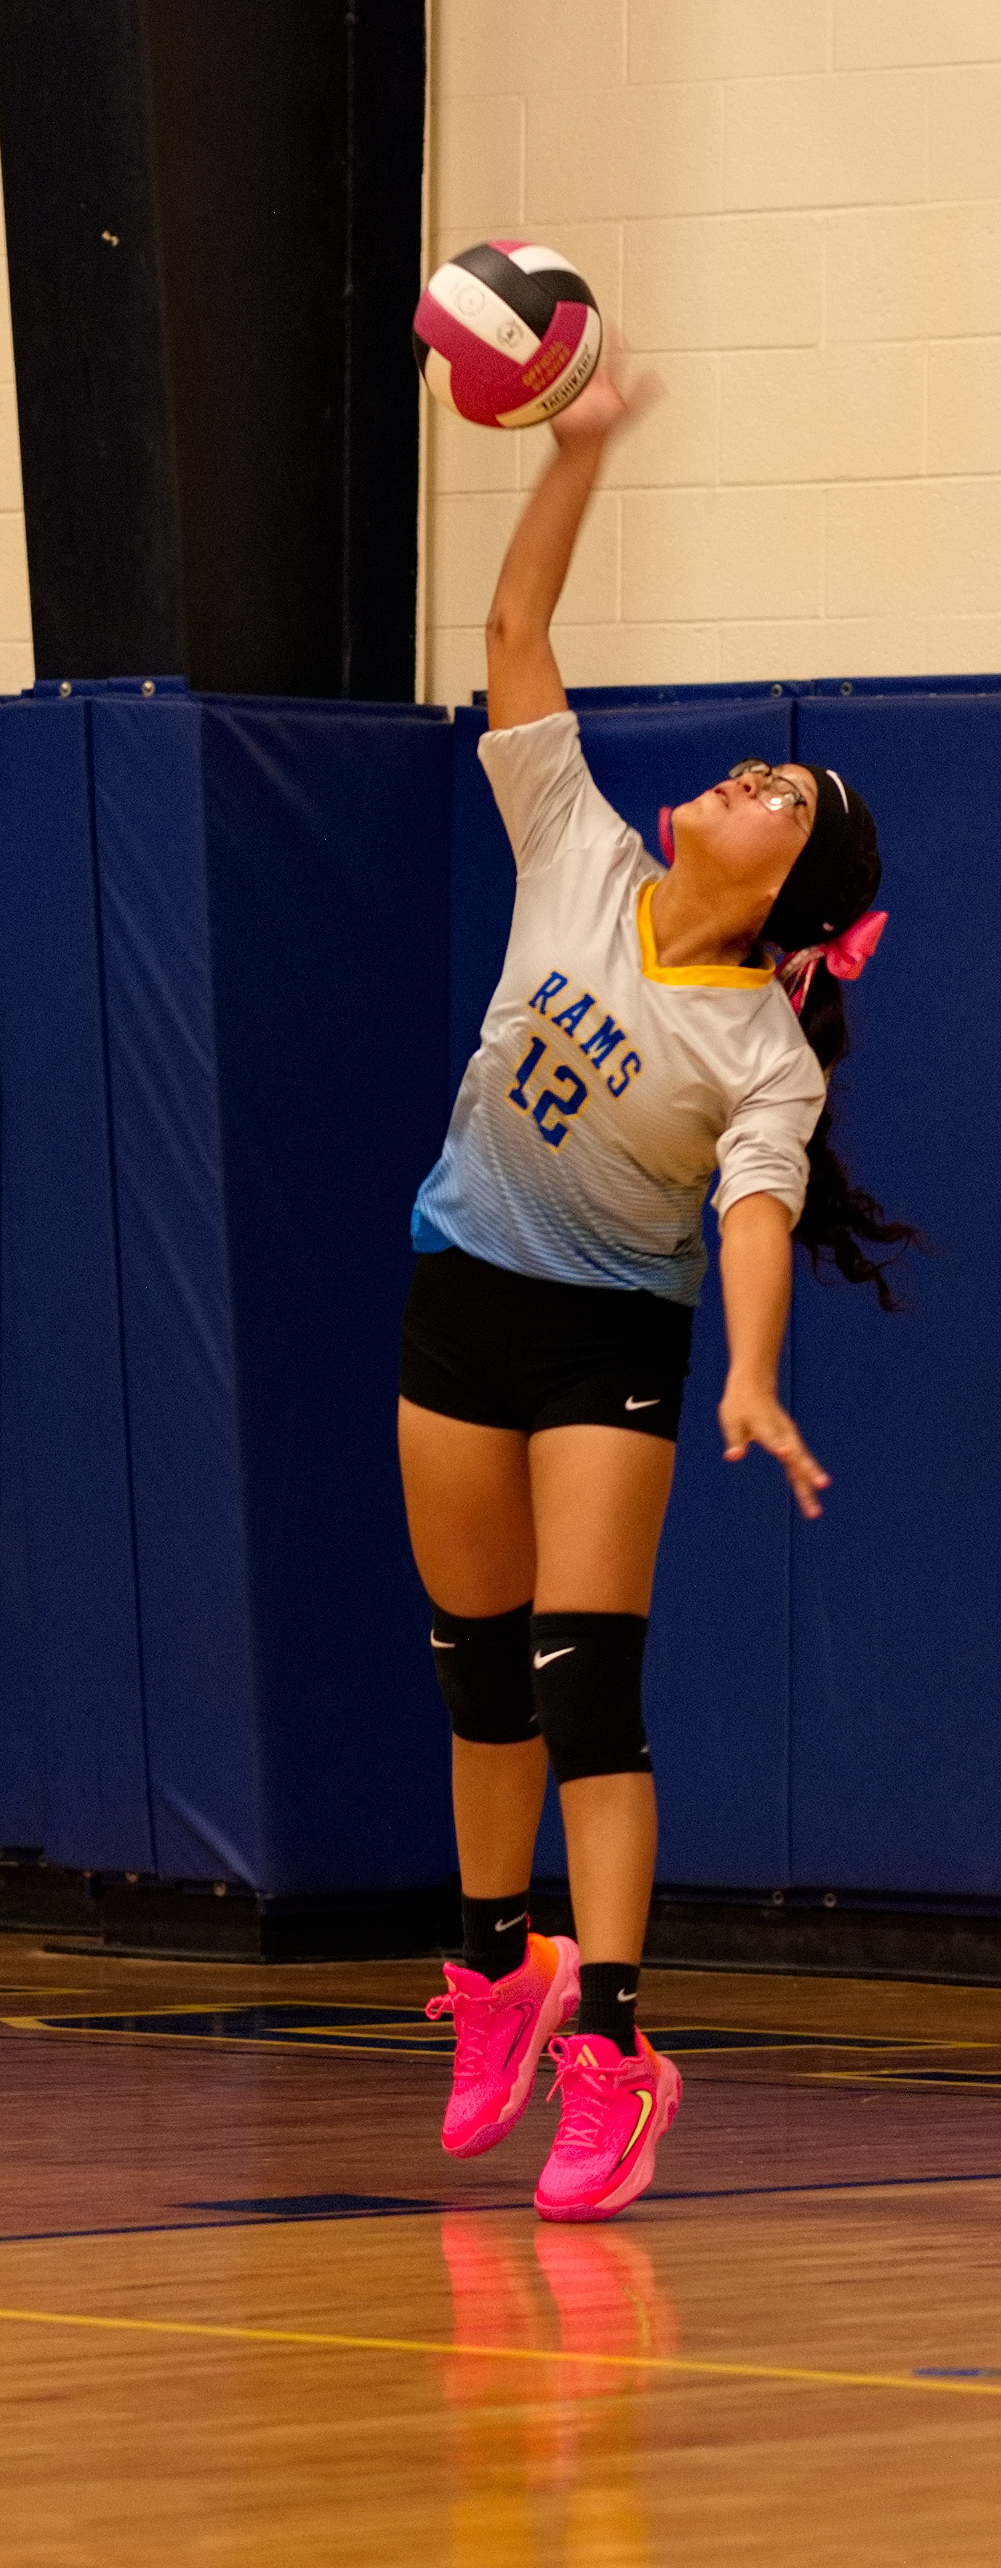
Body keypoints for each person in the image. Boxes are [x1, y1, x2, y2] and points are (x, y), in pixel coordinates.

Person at [402, 357, 915, 2222]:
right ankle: (498, 1969)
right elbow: (518, 623)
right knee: (475, 1681)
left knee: (583, 1690)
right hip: (459, 1290)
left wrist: (752, 1378)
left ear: (793, 879)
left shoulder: (762, 1057)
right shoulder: (580, 853)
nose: (740, 775)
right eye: (754, 768)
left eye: (779, 789)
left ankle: (612, 2043)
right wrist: (579, 447)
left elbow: (758, 1222)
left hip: (611, 1341)